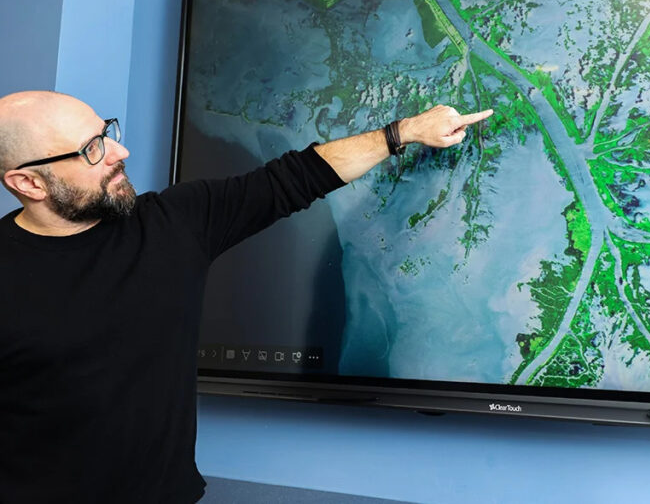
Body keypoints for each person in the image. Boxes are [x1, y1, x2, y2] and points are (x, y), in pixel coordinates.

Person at [0, 90, 492, 503]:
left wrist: (402, 132)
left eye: (107, 133)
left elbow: (295, 179)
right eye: (91, 150)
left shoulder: (173, 224)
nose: (117, 153)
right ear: (28, 182)